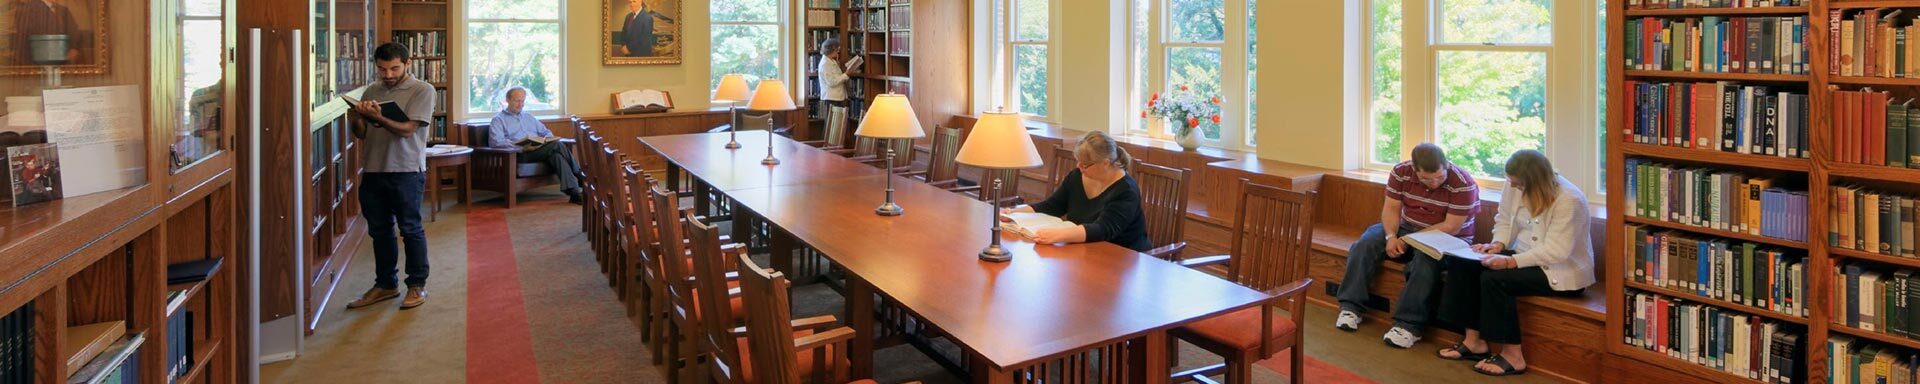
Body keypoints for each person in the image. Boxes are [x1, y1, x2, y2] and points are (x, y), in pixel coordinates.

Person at [1435, 149, 1594, 376]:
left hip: (1561, 271)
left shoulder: (1570, 199)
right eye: (1513, 183)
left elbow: (1557, 251)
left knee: (1495, 279)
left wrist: (1510, 262)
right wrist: (1497, 245)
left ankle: (1513, 355)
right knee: (1463, 264)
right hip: (1524, 256)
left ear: (1534, 181)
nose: (1515, 188)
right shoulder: (1514, 184)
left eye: (1519, 185)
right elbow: (1504, 218)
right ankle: (1474, 342)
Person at [1332, 143, 1480, 349]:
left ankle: (1409, 325)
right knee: (1365, 243)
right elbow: (1391, 209)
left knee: (1425, 260)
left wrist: (1410, 240)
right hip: (1407, 228)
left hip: (1447, 238)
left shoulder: (1463, 183)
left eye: (1439, 176)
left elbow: (1451, 226)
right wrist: (1391, 236)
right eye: (1426, 179)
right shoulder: (1401, 172)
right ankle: (1350, 307)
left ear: (1447, 166)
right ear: (1414, 169)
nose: (1434, 182)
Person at [346, 42, 436, 310]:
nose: (387, 74)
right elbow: (362, 134)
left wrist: (380, 117)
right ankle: (386, 284)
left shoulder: (423, 90)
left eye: (394, 68)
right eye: (382, 69)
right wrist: (356, 118)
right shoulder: (372, 90)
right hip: (374, 169)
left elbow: (408, 130)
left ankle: (417, 286)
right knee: (380, 231)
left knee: (410, 228)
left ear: (408, 64)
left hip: (407, 170)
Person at [1000, 131, 1152, 252]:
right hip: (1085, 249)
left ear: (1105, 163)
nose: (1079, 167)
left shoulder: (1126, 191)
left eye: (1085, 164)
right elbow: (1052, 206)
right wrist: (1016, 213)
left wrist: (1057, 235)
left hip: (1122, 257)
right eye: (1078, 161)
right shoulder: (1078, 176)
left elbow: (1103, 229)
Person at [487, 87, 582, 204]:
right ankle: (579, 174)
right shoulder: (498, 120)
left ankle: (574, 193)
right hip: (519, 154)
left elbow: (546, 132)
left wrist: (545, 139)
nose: (520, 104)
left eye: (522, 101)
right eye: (517, 101)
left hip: (538, 150)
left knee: (557, 156)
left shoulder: (528, 117)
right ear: (507, 100)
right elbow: (496, 142)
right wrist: (520, 147)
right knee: (557, 145)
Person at [13, 0, 82, 65]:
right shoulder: (27, 10)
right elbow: (23, 39)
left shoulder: (63, 10)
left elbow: (74, 33)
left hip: (63, 63)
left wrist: (74, 48)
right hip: (37, 64)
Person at [816, 38, 859, 111]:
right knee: (833, 121)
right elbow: (831, 82)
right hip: (831, 98)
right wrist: (846, 74)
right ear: (831, 50)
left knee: (839, 121)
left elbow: (837, 76)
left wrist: (846, 73)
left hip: (838, 97)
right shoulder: (825, 64)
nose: (838, 52)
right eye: (837, 50)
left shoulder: (832, 61)